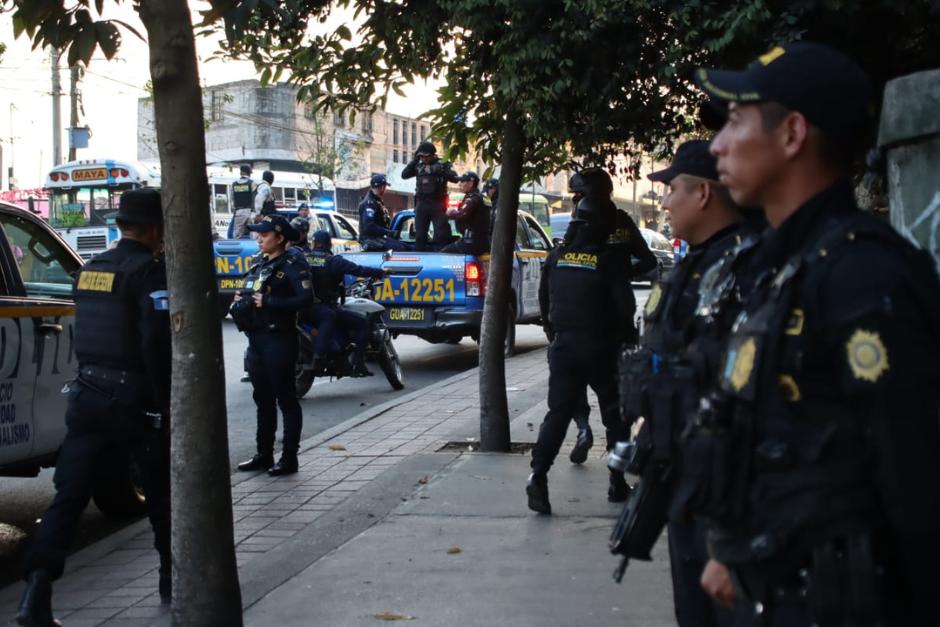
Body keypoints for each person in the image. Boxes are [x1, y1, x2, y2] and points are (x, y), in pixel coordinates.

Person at [688, 42, 940, 625]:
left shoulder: (862, 275)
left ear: (793, 134)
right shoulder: (782, 264)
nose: (718, 145)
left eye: (735, 122)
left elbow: (916, 486)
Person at [16, 189, 172, 625]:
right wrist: (164, 405)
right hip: (134, 400)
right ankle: (170, 581)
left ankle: (35, 595)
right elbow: (154, 344)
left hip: (88, 396)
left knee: (68, 499)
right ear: (156, 229)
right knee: (161, 493)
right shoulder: (148, 273)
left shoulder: (91, 270)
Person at [633, 139, 752, 627]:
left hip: (722, 480)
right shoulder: (692, 264)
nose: (664, 201)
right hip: (679, 468)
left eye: (673, 189)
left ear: (703, 194)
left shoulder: (743, 268)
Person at [527, 195, 634, 514]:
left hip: (564, 348)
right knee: (616, 417)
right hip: (602, 347)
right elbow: (626, 308)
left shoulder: (556, 255)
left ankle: (538, 476)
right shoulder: (609, 258)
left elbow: (544, 300)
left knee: (557, 415)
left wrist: (553, 334)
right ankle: (616, 481)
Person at [563, 168, 656, 465]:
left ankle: (585, 430)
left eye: (579, 195)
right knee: (612, 393)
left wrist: (616, 274)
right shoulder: (618, 222)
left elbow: (565, 259)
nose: (575, 200)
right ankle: (605, 450)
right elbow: (648, 260)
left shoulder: (592, 223)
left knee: (582, 382)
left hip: (593, 319)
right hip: (612, 319)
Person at [233, 214, 312, 476]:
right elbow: (250, 291)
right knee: (262, 400)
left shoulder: (293, 264)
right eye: (258, 234)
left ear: (279, 238)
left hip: (278, 339)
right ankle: (263, 454)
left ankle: (289, 458)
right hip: (256, 340)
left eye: (264, 235)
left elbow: (305, 299)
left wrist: (269, 303)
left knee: (286, 400)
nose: (259, 239)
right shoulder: (258, 262)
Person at [307, 230, 387, 376]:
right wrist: (379, 272)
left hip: (306, 308)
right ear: (329, 244)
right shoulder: (334, 261)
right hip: (326, 307)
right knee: (362, 322)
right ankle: (358, 362)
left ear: (314, 243)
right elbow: (358, 269)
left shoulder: (305, 258)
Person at [401, 141, 459, 250]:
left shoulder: (442, 164)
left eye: (426, 156)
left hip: (438, 204)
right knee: (420, 236)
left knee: (441, 236)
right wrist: (414, 161)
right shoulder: (419, 165)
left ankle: (440, 260)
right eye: (421, 157)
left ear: (433, 155)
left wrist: (437, 170)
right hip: (422, 204)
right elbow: (404, 175)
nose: (424, 159)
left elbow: (455, 178)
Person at [358, 174, 414, 251]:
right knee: (402, 248)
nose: (385, 189)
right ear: (382, 187)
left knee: (406, 246)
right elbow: (369, 226)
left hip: (378, 238)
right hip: (371, 240)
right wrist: (388, 232)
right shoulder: (369, 203)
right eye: (385, 187)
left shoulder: (377, 201)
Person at [441, 171, 490, 255]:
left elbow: (462, 215)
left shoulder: (473, 198)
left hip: (471, 243)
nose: (459, 184)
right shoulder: (484, 198)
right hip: (484, 242)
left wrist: (451, 213)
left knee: (443, 254)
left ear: (471, 183)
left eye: (462, 181)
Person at [229, 164, 255, 239]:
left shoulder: (234, 184)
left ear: (240, 173)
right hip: (250, 212)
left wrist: (234, 210)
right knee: (253, 234)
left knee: (237, 235)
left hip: (239, 211)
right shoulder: (252, 183)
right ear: (249, 173)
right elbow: (255, 198)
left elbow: (232, 199)